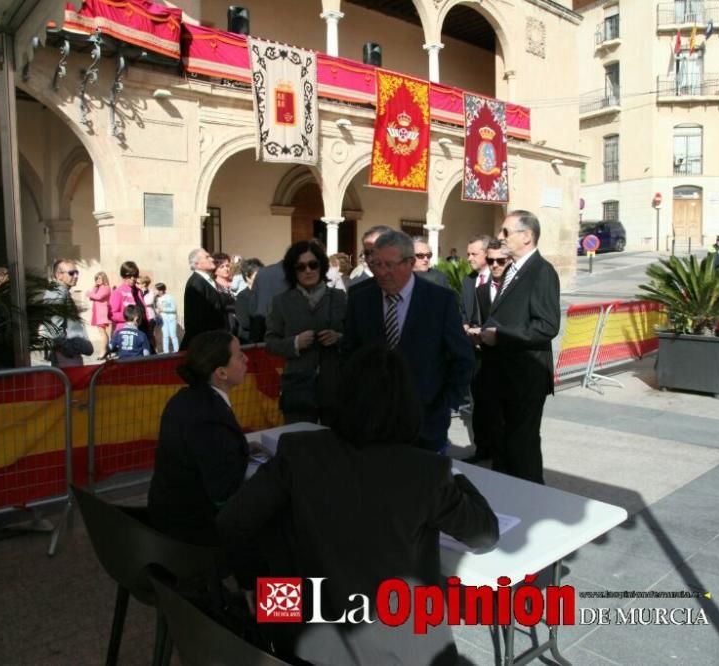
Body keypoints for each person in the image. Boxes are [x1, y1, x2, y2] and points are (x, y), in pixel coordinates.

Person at [217, 344, 499, 666]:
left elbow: (231, 520)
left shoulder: (298, 450)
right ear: (407, 403)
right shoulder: (426, 471)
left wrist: (256, 585)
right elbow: (485, 534)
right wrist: (455, 472)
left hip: (300, 636)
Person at [342, 230, 474, 452]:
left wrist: (446, 404)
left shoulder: (440, 301)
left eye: (389, 265)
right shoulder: (360, 298)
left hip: (427, 423)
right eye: (376, 264)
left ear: (410, 262)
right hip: (373, 422)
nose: (382, 272)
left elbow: (462, 359)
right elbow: (350, 353)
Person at [470, 211, 561, 484]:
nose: (500, 237)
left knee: (523, 449)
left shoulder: (541, 272)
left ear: (527, 236)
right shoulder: (513, 269)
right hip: (503, 374)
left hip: (526, 377)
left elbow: (547, 326)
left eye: (506, 232)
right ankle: (507, 497)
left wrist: (500, 336)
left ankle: (533, 501)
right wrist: (484, 334)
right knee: (505, 446)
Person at [149, 330, 250, 546]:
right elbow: (224, 492)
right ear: (221, 373)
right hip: (195, 535)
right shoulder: (208, 418)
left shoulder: (186, 399)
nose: (246, 359)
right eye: (239, 354)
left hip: (171, 520)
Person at [266, 240, 347, 425]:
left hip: (334, 386)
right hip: (297, 386)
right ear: (293, 271)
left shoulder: (339, 298)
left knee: (335, 444)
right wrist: (294, 343)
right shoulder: (281, 302)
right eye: (301, 267)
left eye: (313, 265)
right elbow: (271, 343)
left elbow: (355, 338)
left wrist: (338, 338)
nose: (308, 271)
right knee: (299, 443)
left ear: (321, 266)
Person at [469, 240, 511, 464]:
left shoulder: (517, 289)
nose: (495, 265)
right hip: (484, 357)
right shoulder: (482, 290)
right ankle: (483, 449)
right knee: (482, 406)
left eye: (501, 261)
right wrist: (476, 333)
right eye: (491, 260)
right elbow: (482, 320)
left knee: (503, 412)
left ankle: (501, 454)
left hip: (509, 358)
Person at [41, 258, 94, 367]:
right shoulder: (58, 293)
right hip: (65, 356)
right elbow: (54, 328)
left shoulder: (62, 292)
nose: (75, 276)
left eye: (76, 273)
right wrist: (69, 349)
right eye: (71, 273)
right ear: (59, 275)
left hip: (68, 354)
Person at [181, 248, 229, 350]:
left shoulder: (207, 281)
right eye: (207, 257)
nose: (212, 259)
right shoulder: (196, 283)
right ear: (197, 264)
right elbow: (196, 319)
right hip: (207, 345)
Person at [109, 261, 152, 341]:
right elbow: (111, 314)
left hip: (143, 332)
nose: (133, 278)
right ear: (123, 275)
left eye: (135, 275)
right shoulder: (118, 292)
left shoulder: (139, 291)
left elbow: (144, 311)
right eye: (129, 276)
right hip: (127, 335)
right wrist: (130, 317)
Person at [462, 234, 492, 327]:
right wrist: (465, 324)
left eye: (474, 254)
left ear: (487, 253)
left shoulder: (500, 279)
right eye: (468, 254)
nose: (469, 258)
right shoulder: (468, 280)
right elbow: (463, 311)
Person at [235, 258, 264, 343]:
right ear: (247, 277)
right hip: (250, 340)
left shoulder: (265, 293)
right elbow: (245, 322)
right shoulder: (242, 296)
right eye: (257, 275)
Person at [87, 271, 112, 355]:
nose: (97, 280)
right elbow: (92, 298)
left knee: (102, 333)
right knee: (102, 332)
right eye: (96, 278)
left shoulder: (106, 287)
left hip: (102, 313)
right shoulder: (99, 288)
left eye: (99, 278)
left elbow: (99, 297)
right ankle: (106, 350)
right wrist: (94, 288)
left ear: (104, 278)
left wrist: (89, 293)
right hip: (97, 313)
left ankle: (103, 351)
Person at [155, 283, 179, 354]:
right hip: (163, 320)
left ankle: (176, 350)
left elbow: (174, 309)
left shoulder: (169, 297)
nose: (155, 291)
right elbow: (157, 309)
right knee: (165, 336)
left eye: (157, 290)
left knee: (173, 335)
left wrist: (163, 309)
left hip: (171, 319)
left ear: (161, 290)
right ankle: (166, 351)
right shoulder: (157, 298)